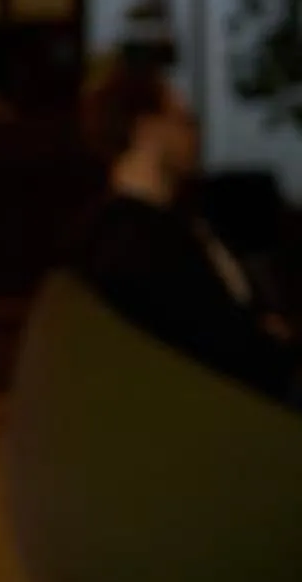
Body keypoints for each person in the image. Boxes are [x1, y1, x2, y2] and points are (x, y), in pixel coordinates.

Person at [66, 58, 298, 405]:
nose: (195, 135)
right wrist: (270, 341)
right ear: (148, 131)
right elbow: (212, 341)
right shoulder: (134, 242)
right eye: (184, 120)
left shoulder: (169, 224)